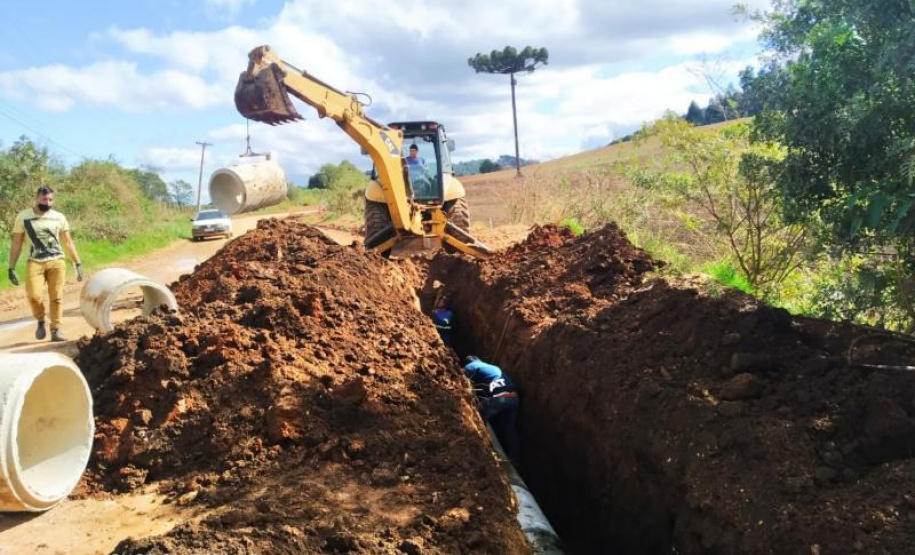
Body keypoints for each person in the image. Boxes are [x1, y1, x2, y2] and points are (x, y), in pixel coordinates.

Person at [8, 185, 84, 342]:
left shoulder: (59, 217)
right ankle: (41, 320)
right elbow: (17, 244)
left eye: (50, 199)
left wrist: (77, 263)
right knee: (34, 296)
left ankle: (56, 329)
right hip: (35, 261)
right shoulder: (23, 217)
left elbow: (68, 242)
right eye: (44, 199)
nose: (48, 202)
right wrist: (11, 267)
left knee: (56, 296)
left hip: (57, 261)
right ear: (37, 198)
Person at [461, 355, 520, 465]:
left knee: (477, 415)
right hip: (513, 398)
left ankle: (480, 451)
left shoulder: (471, 366)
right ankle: (514, 462)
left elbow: (458, 377)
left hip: (499, 399)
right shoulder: (491, 368)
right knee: (508, 430)